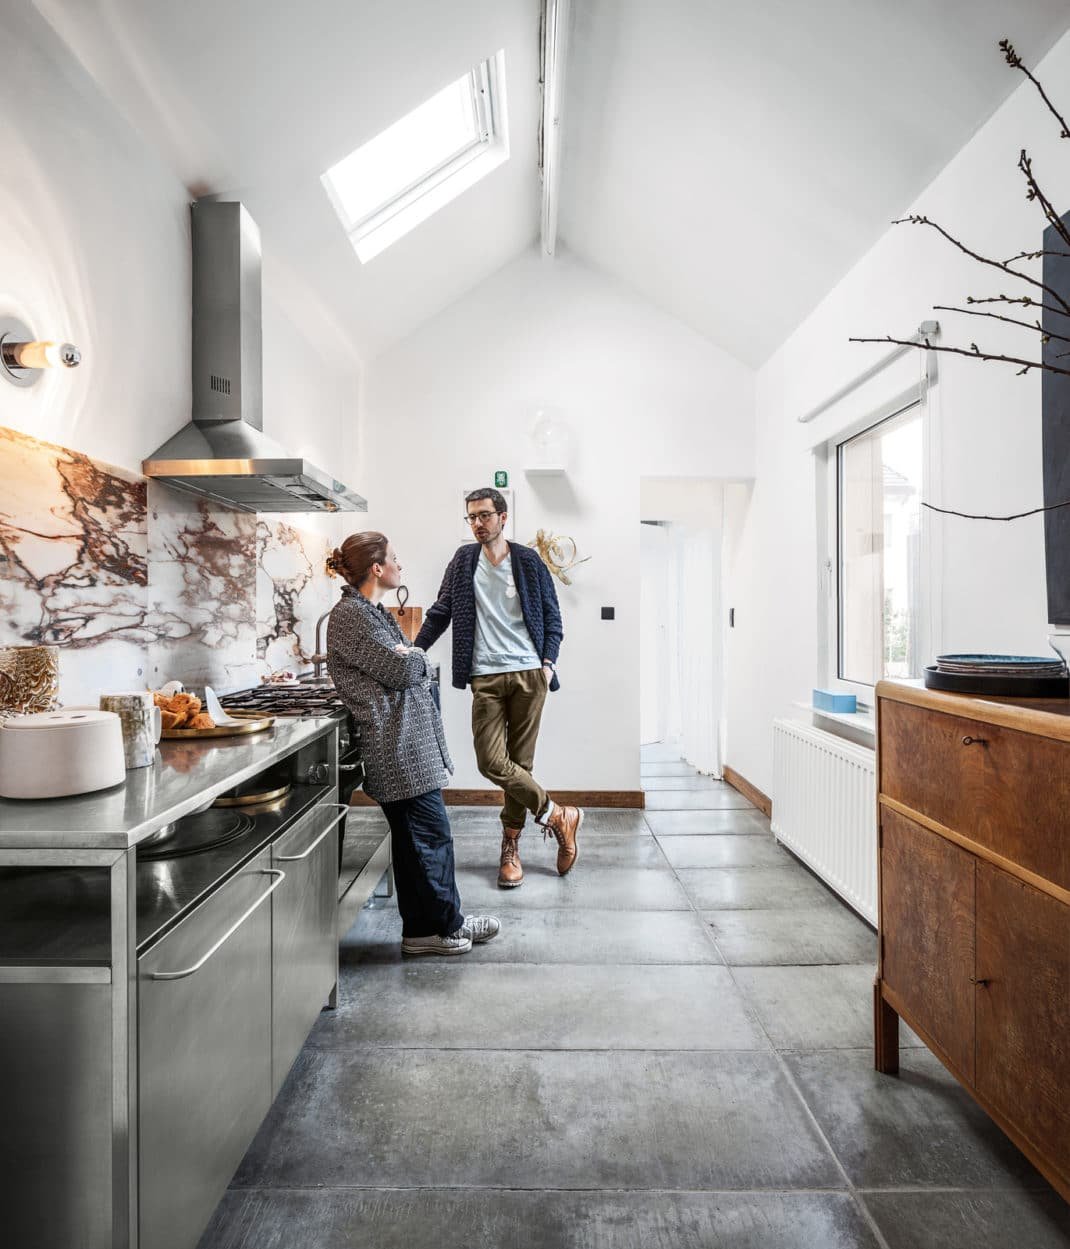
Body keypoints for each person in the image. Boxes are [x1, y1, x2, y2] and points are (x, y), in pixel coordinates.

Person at [326, 531, 500, 957]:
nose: (400, 566)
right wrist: (415, 659)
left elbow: (406, 658)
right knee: (428, 838)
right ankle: (439, 930)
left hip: (406, 743)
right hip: (396, 746)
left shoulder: (369, 611)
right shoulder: (352, 616)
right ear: (377, 568)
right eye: (395, 559)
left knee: (418, 841)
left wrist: (411, 656)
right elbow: (402, 670)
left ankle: (436, 925)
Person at [413, 488, 582, 889]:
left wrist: (547, 664)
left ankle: (511, 849)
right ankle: (559, 815)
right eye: (471, 517)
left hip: (528, 674)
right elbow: (441, 611)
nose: (477, 523)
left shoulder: (529, 561)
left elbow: (553, 618)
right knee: (492, 762)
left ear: (502, 518)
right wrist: (415, 649)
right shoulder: (462, 561)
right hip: (485, 676)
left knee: (520, 766)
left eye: (484, 515)